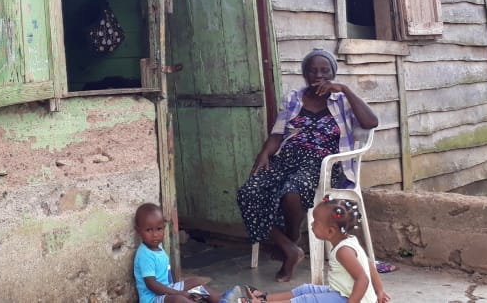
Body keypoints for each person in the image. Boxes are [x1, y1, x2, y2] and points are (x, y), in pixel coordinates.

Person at [236, 48, 379, 282]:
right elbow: (278, 134)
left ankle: (291, 241)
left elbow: (371, 122)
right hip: (287, 159)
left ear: (333, 73)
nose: (318, 75)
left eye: (325, 71)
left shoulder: (342, 100)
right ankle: (289, 248)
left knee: (293, 192)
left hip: (323, 164)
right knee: (248, 193)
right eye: (312, 71)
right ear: (305, 74)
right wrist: (263, 154)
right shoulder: (294, 98)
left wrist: (345, 89)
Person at [229, 198, 390, 303]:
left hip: (349, 298)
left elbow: (363, 279)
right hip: (342, 292)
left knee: (307, 300)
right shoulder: (349, 241)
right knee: (306, 289)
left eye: (316, 222)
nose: (312, 225)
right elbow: (369, 265)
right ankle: (265, 298)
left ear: (331, 231)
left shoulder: (343, 251)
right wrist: (380, 291)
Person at [134, 203, 230, 303]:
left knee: (196, 282)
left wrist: (176, 291)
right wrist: (177, 293)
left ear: (164, 227)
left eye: (159, 229)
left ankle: (219, 300)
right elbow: (152, 285)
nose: (155, 235)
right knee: (178, 299)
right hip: (152, 299)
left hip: (167, 289)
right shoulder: (145, 255)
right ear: (138, 231)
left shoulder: (158, 246)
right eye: (149, 230)